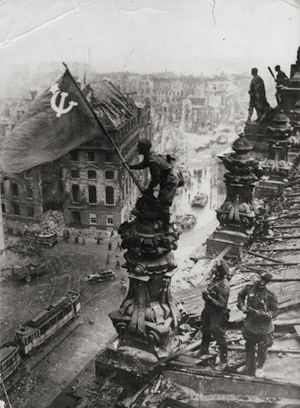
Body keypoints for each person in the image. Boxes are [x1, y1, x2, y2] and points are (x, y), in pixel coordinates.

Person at [128, 138, 182, 225]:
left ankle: (165, 226)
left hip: (170, 181)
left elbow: (156, 179)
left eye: (139, 147)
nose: (137, 149)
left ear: (144, 149)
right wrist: (131, 166)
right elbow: (142, 165)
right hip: (166, 180)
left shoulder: (152, 161)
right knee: (160, 200)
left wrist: (150, 189)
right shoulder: (149, 156)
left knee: (164, 203)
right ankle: (160, 220)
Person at [237, 272, 279, 377]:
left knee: (262, 348)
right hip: (250, 324)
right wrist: (242, 306)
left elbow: (276, 311)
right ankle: (248, 365)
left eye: (258, 278)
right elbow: (240, 296)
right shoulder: (249, 287)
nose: (255, 278)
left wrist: (267, 314)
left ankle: (259, 368)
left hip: (264, 327)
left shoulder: (270, 295)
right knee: (249, 345)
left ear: (263, 282)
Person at [199, 259, 230, 371]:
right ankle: (203, 350)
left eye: (215, 268)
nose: (213, 269)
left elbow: (222, 305)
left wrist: (209, 298)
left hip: (218, 315)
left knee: (220, 336)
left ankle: (223, 360)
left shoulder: (223, 286)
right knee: (205, 330)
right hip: (208, 311)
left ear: (219, 272)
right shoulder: (215, 280)